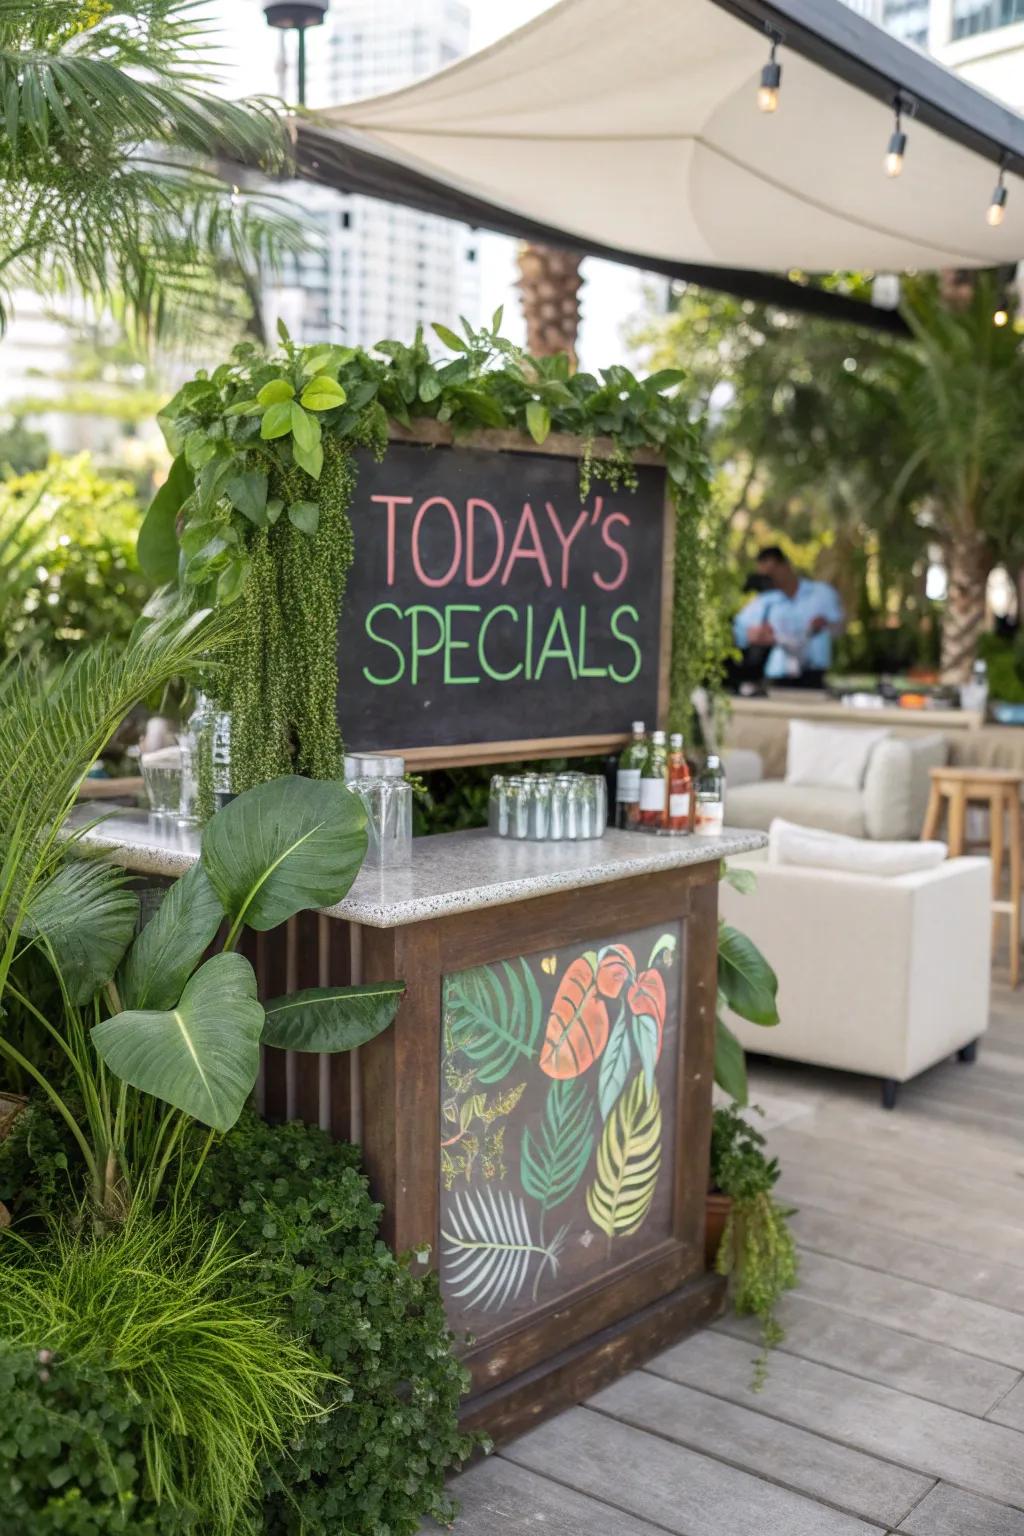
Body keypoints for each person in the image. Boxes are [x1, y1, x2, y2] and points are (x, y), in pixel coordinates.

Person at [733, 547, 844, 688]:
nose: (769, 579)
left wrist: (825, 625)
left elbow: (840, 628)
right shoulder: (763, 602)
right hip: (775, 677)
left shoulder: (822, 593)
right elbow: (736, 632)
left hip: (814, 675)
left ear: (785, 565)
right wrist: (751, 635)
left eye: (771, 573)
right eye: (764, 576)